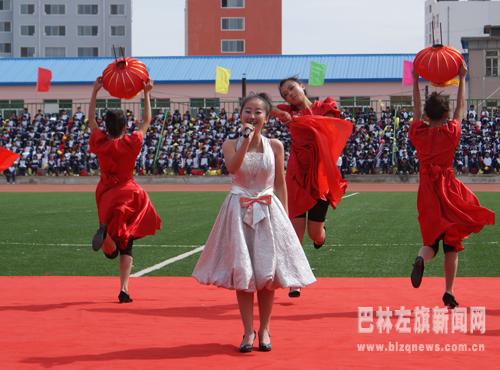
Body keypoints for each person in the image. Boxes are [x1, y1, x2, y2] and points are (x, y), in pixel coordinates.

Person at [192, 93, 316, 353]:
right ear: (240, 115)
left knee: (267, 275)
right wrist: (246, 140)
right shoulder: (231, 144)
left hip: (269, 210)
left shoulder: (276, 145)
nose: (252, 116)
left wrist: (285, 218)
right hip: (238, 211)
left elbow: (280, 183)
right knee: (244, 272)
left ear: (266, 117)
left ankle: (265, 329)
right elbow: (233, 169)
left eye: (258, 112)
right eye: (248, 111)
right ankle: (248, 331)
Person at [409, 63, 495, 308]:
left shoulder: (417, 132)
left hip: (427, 188)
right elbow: (461, 108)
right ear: (445, 115)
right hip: (448, 188)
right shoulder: (452, 132)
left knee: (430, 241)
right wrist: (461, 78)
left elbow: (415, 109)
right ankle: (449, 291)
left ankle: (420, 258)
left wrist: (415, 80)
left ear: (426, 115)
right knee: (451, 243)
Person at [272, 77, 352, 297]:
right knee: (294, 232)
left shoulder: (324, 107)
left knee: (314, 233)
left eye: (291, 88)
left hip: (320, 175)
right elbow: (265, 107)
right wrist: (280, 114)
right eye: (285, 94)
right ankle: (294, 280)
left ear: (302, 86)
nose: (290, 95)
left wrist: (302, 120)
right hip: (297, 175)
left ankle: (321, 237)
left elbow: (331, 127)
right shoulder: (287, 113)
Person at [88, 77, 162, 303]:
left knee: (111, 251)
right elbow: (147, 121)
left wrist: (95, 92)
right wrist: (146, 93)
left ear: (106, 126)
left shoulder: (100, 142)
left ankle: (107, 235)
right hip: (127, 193)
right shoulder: (131, 143)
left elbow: (91, 120)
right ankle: (124, 288)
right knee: (127, 243)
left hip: (105, 193)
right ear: (124, 126)